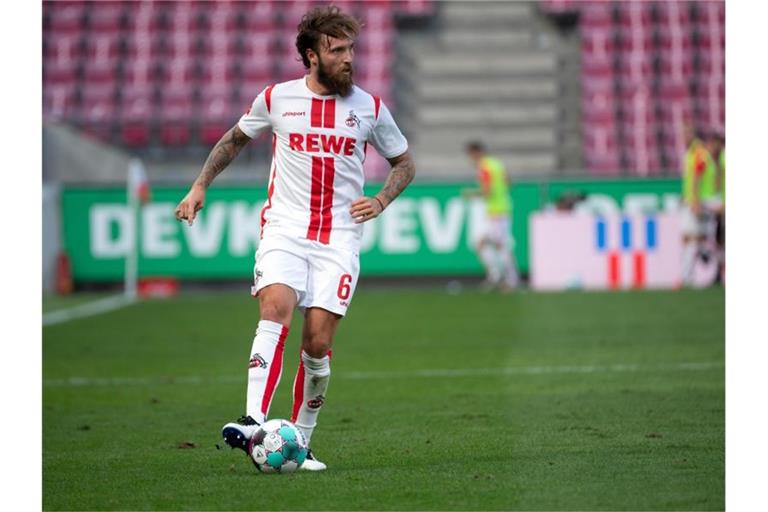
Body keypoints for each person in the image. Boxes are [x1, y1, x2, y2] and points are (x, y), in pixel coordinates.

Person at [174, 6, 415, 471]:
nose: (348, 59)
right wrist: (200, 184)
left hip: (339, 238)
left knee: (317, 344)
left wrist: (381, 200)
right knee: (274, 310)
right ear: (310, 56)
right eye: (337, 50)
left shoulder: (370, 107)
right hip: (284, 228)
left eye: (351, 49)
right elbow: (233, 140)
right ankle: (252, 420)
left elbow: (405, 162)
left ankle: (300, 441)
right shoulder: (277, 99)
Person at [463, 141, 518, 291]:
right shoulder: (497, 164)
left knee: (500, 245)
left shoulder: (484, 168)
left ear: (476, 152)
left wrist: (471, 194)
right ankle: (496, 276)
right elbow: (508, 182)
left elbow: (487, 192)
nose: (471, 159)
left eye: (471, 155)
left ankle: (510, 280)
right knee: (482, 243)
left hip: (496, 211)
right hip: (502, 208)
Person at [680, 125, 718, 286]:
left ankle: (689, 276)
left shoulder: (699, 153)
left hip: (700, 201)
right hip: (695, 200)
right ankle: (701, 269)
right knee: (696, 239)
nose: (683, 137)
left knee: (693, 238)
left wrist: (695, 200)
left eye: (686, 134)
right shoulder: (693, 152)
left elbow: (697, 176)